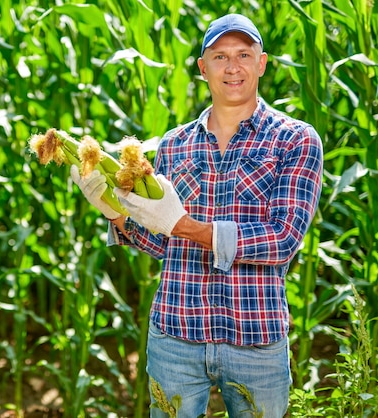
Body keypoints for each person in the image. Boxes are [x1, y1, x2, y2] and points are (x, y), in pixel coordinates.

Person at [70, 13, 323, 418]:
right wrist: (116, 214)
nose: (233, 66)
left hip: (255, 337)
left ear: (262, 63)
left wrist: (183, 225)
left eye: (244, 54)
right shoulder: (174, 143)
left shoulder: (295, 138)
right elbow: (162, 241)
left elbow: (282, 239)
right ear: (203, 69)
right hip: (175, 335)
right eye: (220, 57)